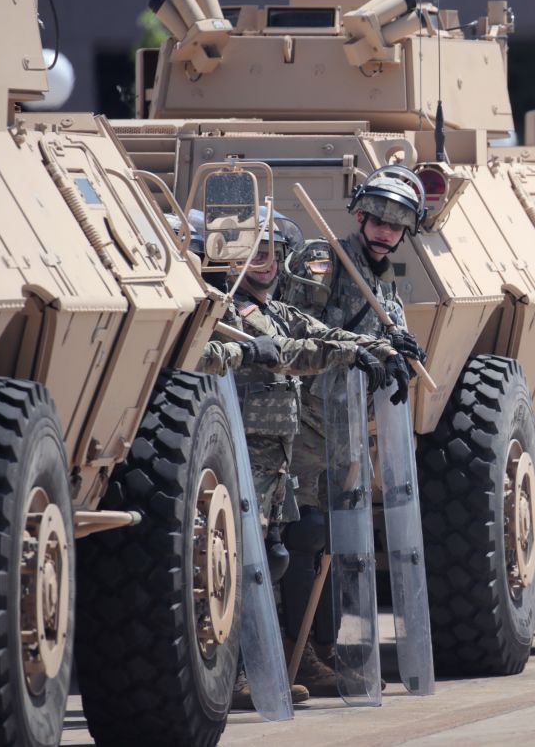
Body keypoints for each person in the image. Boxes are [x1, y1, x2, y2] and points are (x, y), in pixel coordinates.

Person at [197, 213, 407, 706]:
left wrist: (380, 347)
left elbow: (320, 337)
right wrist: (247, 356)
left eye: (270, 253)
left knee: (273, 558)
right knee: (240, 562)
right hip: (239, 454)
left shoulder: (273, 311)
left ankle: (270, 660)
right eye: (251, 253)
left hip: (278, 456)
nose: (261, 264)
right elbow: (201, 354)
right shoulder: (223, 308)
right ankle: (238, 670)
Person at [275, 165, 429, 695]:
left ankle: (323, 651)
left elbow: (389, 334)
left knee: (340, 542)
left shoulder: (384, 283)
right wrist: (361, 347)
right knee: (304, 534)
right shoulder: (323, 260)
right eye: (379, 217)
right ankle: (294, 653)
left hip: (347, 429)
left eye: (399, 222)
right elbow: (291, 324)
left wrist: (401, 352)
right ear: (360, 214)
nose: (386, 230)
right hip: (305, 421)